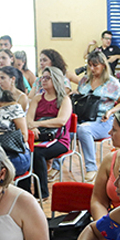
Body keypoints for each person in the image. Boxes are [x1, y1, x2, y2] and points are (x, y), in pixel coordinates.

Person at [75, 51, 120, 180]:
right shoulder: (84, 80)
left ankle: (91, 168)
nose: (92, 69)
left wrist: (110, 112)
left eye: (95, 66)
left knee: (83, 130)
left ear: (103, 65)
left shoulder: (112, 82)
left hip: (103, 120)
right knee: (64, 129)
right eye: (90, 65)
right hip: (83, 117)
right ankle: (56, 166)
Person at [27, 67, 72, 199]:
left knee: (37, 153)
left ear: (56, 80)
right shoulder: (37, 98)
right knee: (25, 151)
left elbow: (61, 121)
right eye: (42, 78)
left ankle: (42, 192)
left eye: (47, 78)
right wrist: (32, 127)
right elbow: (28, 119)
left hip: (59, 140)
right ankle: (25, 191)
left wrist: (38, 124)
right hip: (38, 136)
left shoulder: (64, 100)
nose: (43, 81)